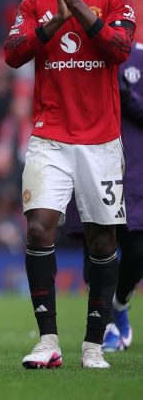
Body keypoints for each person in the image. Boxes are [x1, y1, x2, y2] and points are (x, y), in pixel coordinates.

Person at [3, 0, 135, 369]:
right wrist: (54, 20)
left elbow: (118, 49)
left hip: (101, 141)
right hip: (50, 137)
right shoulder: (34, 3)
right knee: (39, 227)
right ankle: (48, 340)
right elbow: (13, 54)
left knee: (101, 240)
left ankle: (93, 345)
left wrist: (76, 6)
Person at [101, 42, 143, 352]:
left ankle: (119, 303)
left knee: (138, 251)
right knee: (99, 245)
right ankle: (106, 324)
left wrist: (124, 93)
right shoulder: (92, 56)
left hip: (137, 169)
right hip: (97, 159)